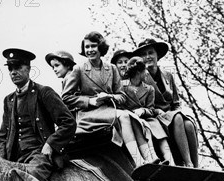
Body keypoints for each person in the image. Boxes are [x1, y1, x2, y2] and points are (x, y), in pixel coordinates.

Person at [62, 32, 157, 166]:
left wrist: (110, 96)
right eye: (87, 47)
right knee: (124, 116)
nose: (90, 50)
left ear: (101, 47)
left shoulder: (111, 68)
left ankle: (150, 158)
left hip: (109, 109)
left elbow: (122, 96)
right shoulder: (79, 69)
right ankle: (139, 162)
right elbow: (66, 98)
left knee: (133, 117)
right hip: (89, 114)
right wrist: (90, 101)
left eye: (93, 46)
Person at [0, 48, 76, 181]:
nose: (13, 72)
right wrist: (0, 161)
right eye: (10, 69)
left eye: (17, 67)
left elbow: (68, 122)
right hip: (13, 157)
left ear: (28, 68)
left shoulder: (44, 93)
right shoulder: (8, 100)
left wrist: (50, 144)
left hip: (38, 155)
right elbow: (3, 136)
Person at [132, 38, 199, 167]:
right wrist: (161, 112)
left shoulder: (168, 75)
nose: (148, 57)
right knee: (178, 117)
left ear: (157, 55)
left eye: (150, 53)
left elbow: (176, 102)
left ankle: (196, 167)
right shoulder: (139, 78)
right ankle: (188, 163)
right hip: (154, 116)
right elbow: (141, 104)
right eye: (144, 55)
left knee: (189, 124)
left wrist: (175, 111)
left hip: (171, 115)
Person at [123, 56, 175, 165]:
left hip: (147, 118)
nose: (147, 73)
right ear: (138, 72)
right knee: (142, 126)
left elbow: (151, 109)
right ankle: (151, 158)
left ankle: (170, 161)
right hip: (131, 119)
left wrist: (143, 110)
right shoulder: (123, 87)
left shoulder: (149, 88)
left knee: (158, 130)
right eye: (144, 70)